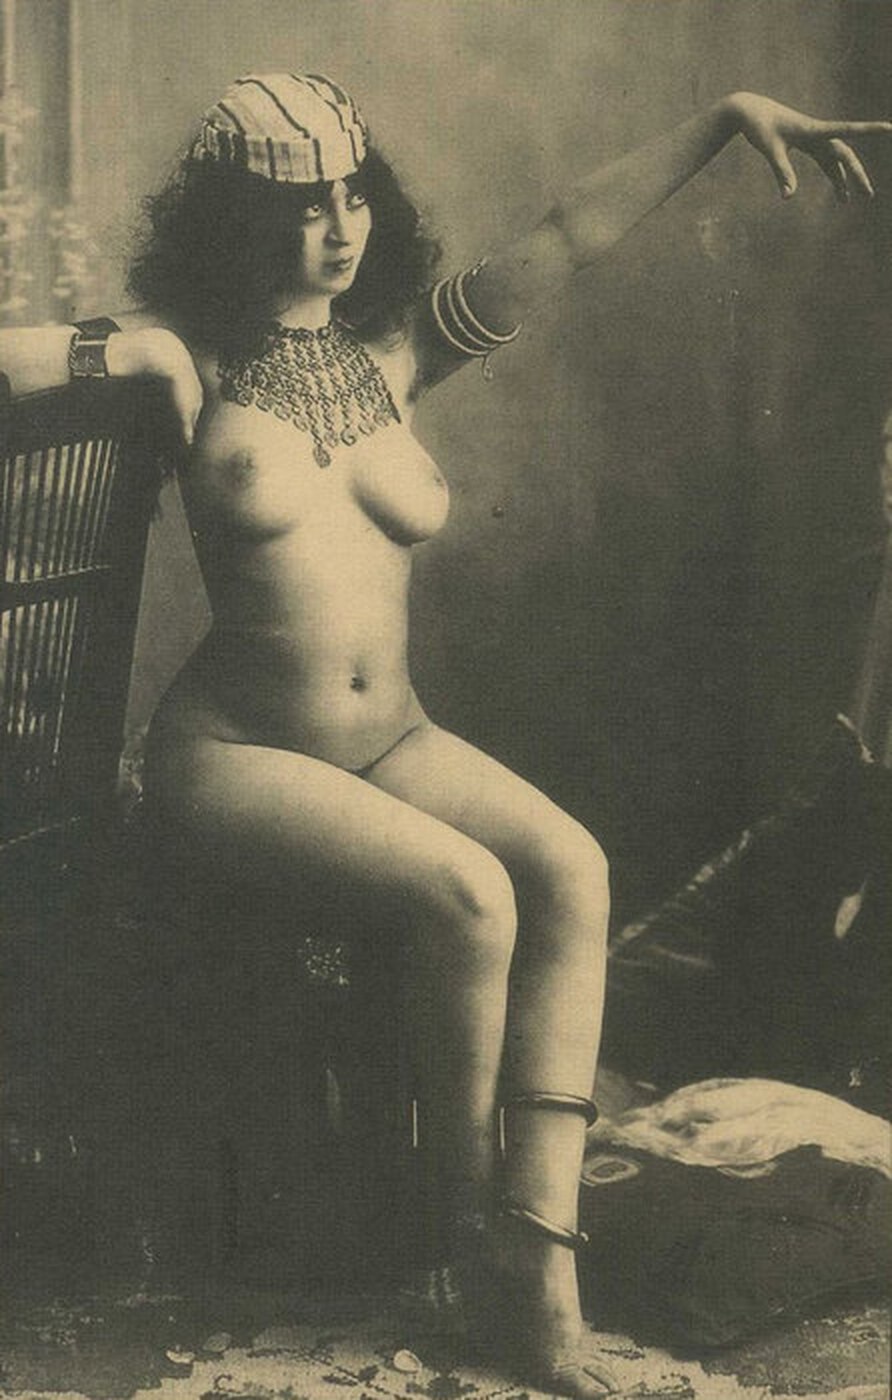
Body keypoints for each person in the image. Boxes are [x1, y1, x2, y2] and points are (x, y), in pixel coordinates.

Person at [2, 74, 890, 1397]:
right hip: (237, 754)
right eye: (303, 206)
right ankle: (472, 1244)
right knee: (470, 895)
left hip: (393, 738)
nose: (339, 228)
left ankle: (536, 1260)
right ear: (234, 222)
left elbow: (567, 235)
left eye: (353, 196)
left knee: (572, 868)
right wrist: (111, 353)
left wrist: (718, 122)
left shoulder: (400, 353)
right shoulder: (189, 355)